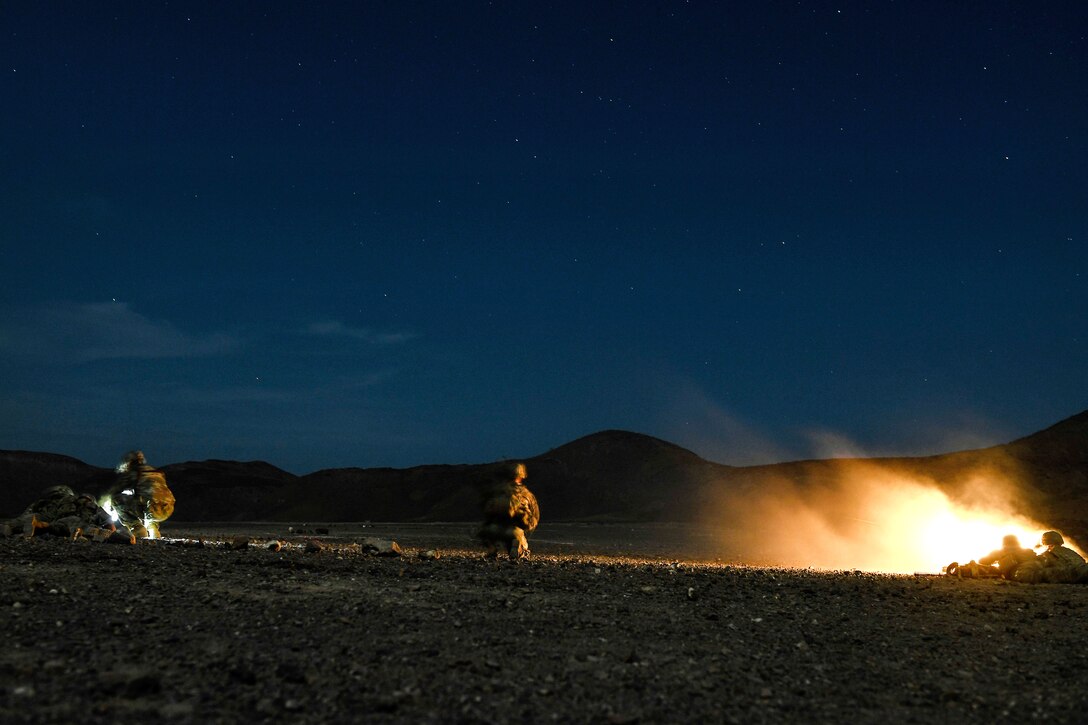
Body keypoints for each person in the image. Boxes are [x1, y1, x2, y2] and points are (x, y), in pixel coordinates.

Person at [100, 450, 175, 539]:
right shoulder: (156, 472)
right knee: (149, 501)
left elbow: (114, 491)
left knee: (116, 499)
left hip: (150, 508)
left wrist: (101, 503)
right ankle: (153, 530)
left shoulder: (133, 473)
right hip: (167, 508)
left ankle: (137, 529)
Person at [477, 461, 540, 560]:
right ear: (521, 475)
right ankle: (520, 548)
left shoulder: (497, 492)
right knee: (518, 538)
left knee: (489, 531)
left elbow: (486, 510)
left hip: (493, 529)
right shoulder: (525, 494)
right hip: (514, 531)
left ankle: (492, 549)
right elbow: (535, 516)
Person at [1014, 531, 1088, 583]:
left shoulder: (1048, 555)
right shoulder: (1072, 553)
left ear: (1047, 544)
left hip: (1073, 575)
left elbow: (1023, 574)